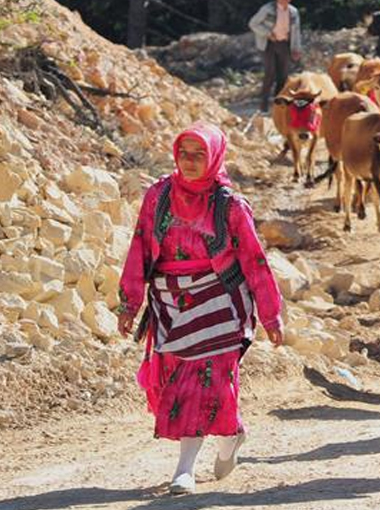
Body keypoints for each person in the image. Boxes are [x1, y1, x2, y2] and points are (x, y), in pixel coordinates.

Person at [116, 122, 284, 495]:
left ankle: (184, 470)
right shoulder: (158, 196)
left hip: (220, 304)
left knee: (202, 383)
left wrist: (271, 314)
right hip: (169, 305)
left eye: (199, 155)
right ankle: (232, 434)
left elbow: (255, 261)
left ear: (215, 157)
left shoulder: (230, 206)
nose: (189, 162)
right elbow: (140, 246)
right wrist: (129, 302)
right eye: (183, 154)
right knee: (179, 385)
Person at [248, 0, 303, 113]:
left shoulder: (293, 12)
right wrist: (267, 33)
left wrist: (296, 49)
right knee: (270, 73)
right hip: (269, 44)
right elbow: (253, 23)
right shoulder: (267, 9)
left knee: (283, 75)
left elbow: (296, 31)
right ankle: (263, 106)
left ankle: (279, 105)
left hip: (284, 44)